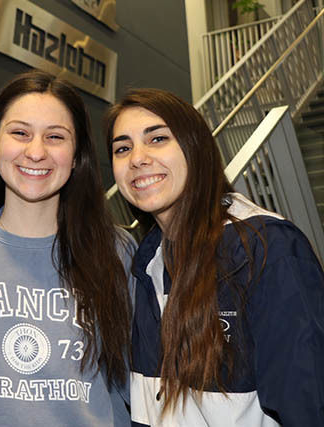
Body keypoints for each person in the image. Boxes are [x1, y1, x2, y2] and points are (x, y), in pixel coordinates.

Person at [104, 88, 324, 426]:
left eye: (157, 139)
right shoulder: (146, 265)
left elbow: (307, 406)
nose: (137, 158)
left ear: (196, 147)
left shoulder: (265, 248)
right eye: (123, 148)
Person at [0, 70, 136, 426]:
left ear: (76, 156)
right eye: (20, 133)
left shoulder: (116, 251)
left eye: (55, 137)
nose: (36, 151)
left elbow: (133, 384)